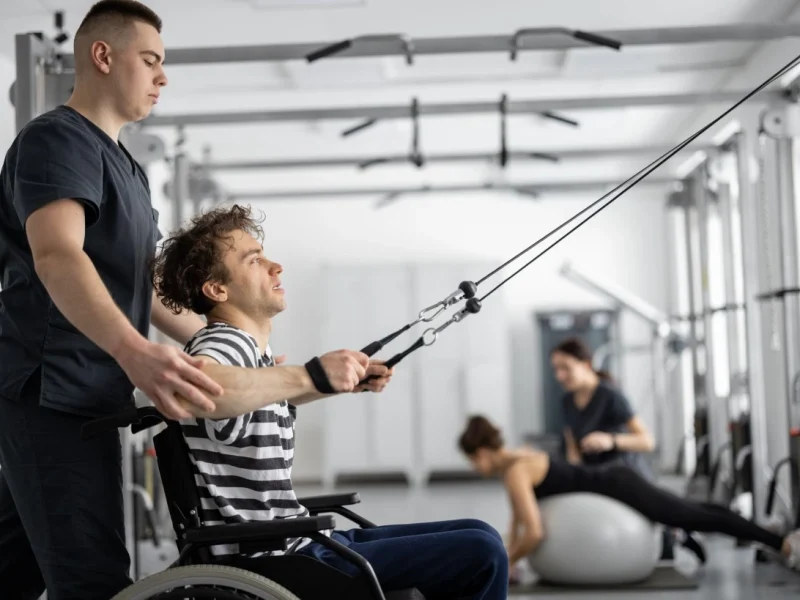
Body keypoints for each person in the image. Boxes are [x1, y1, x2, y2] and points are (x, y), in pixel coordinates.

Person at [0, 2, 378, 598]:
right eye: (150, 60)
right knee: (91, 581)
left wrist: (246, 356)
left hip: (89, 398)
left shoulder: (128, 167)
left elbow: (143, 287)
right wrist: (133, 352)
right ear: (103, 56)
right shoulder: (57, 139)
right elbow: (57, 255)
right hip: (49, 397)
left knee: (13, 570)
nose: (163, 77)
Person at [149, 204, 509, 600]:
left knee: (481, 533)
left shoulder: (249, 351)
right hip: (275, 554)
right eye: (255, 260)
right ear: (217, 290)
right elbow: (202, 384)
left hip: (292, 542)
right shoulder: (223, 341)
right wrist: (314, 373)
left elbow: (253, 397)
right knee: (482, 552)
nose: (276, 266)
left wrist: (337, 383)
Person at [458, 414, 800, 579]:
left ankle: (783, 543)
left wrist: (503, 565)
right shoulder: (519, 459)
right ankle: (778, 539)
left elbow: (533, 532)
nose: (475, 468)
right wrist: (510, 553)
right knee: (697, 511)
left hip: (619, 486)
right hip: (614, 480)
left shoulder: (515, 472)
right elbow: (518, 521)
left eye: (473, 460)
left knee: (695, 516)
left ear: (482, 452)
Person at [551, 338, 655, 474]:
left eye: (566, 368)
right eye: (556, 369)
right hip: (595, 478)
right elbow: (572, 448)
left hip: (624, 475)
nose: (560, 376)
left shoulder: (610, 395)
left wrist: (611, 441)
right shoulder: (566, 401)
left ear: (587, 365)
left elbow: (647, 441)